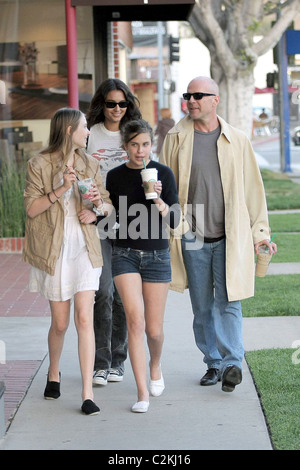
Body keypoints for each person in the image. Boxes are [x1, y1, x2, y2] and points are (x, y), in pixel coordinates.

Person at [161, 76, 277, 393]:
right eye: (188, 95)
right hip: (192, 236)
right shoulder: (175, 138)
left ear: (216, 99)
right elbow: (166, 189)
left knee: (228, 302)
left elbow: (254, 191)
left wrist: (260, 234)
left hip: (230, 235)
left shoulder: (236, 140)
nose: (191, 100)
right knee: (201, 307)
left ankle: (232, 364)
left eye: (198, 95)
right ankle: (213, 362)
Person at [23, 108, 112, 415]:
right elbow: (32, 209)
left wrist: (98, 208)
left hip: (85, 248)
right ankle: (53, 372)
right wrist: (61, 187)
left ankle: (87, 394)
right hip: (54, 249)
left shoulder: (90, 162)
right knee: (60, 324)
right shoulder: (39, 164)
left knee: (84, 319)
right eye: (85, 127)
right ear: (69, 130)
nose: (88, 132)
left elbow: (108, 205)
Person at [106, 119, 180, 413]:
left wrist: (159, 200)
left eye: (145, 144)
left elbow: (174, 221)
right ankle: (141, 393)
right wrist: (98, 210)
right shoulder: (114, 177)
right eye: (134, 144)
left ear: (152, 145)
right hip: (124, 254)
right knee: (135, 323)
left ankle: (156, 364)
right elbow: (109, 221)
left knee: (154, 330)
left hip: (157, 256)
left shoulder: (164, 174)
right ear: (124, 146)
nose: (140, 150)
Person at [86, 78, 142, 386]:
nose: (117, 109)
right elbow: (81, 172)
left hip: (131, 221)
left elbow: (146, 168)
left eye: (122, 103)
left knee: (122, 295)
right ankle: (101, 362)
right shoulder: (91, 134)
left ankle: (118, 361)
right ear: (102, 105)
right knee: (103, 291)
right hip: (99, 220)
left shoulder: (134, 132)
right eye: (111, 103)